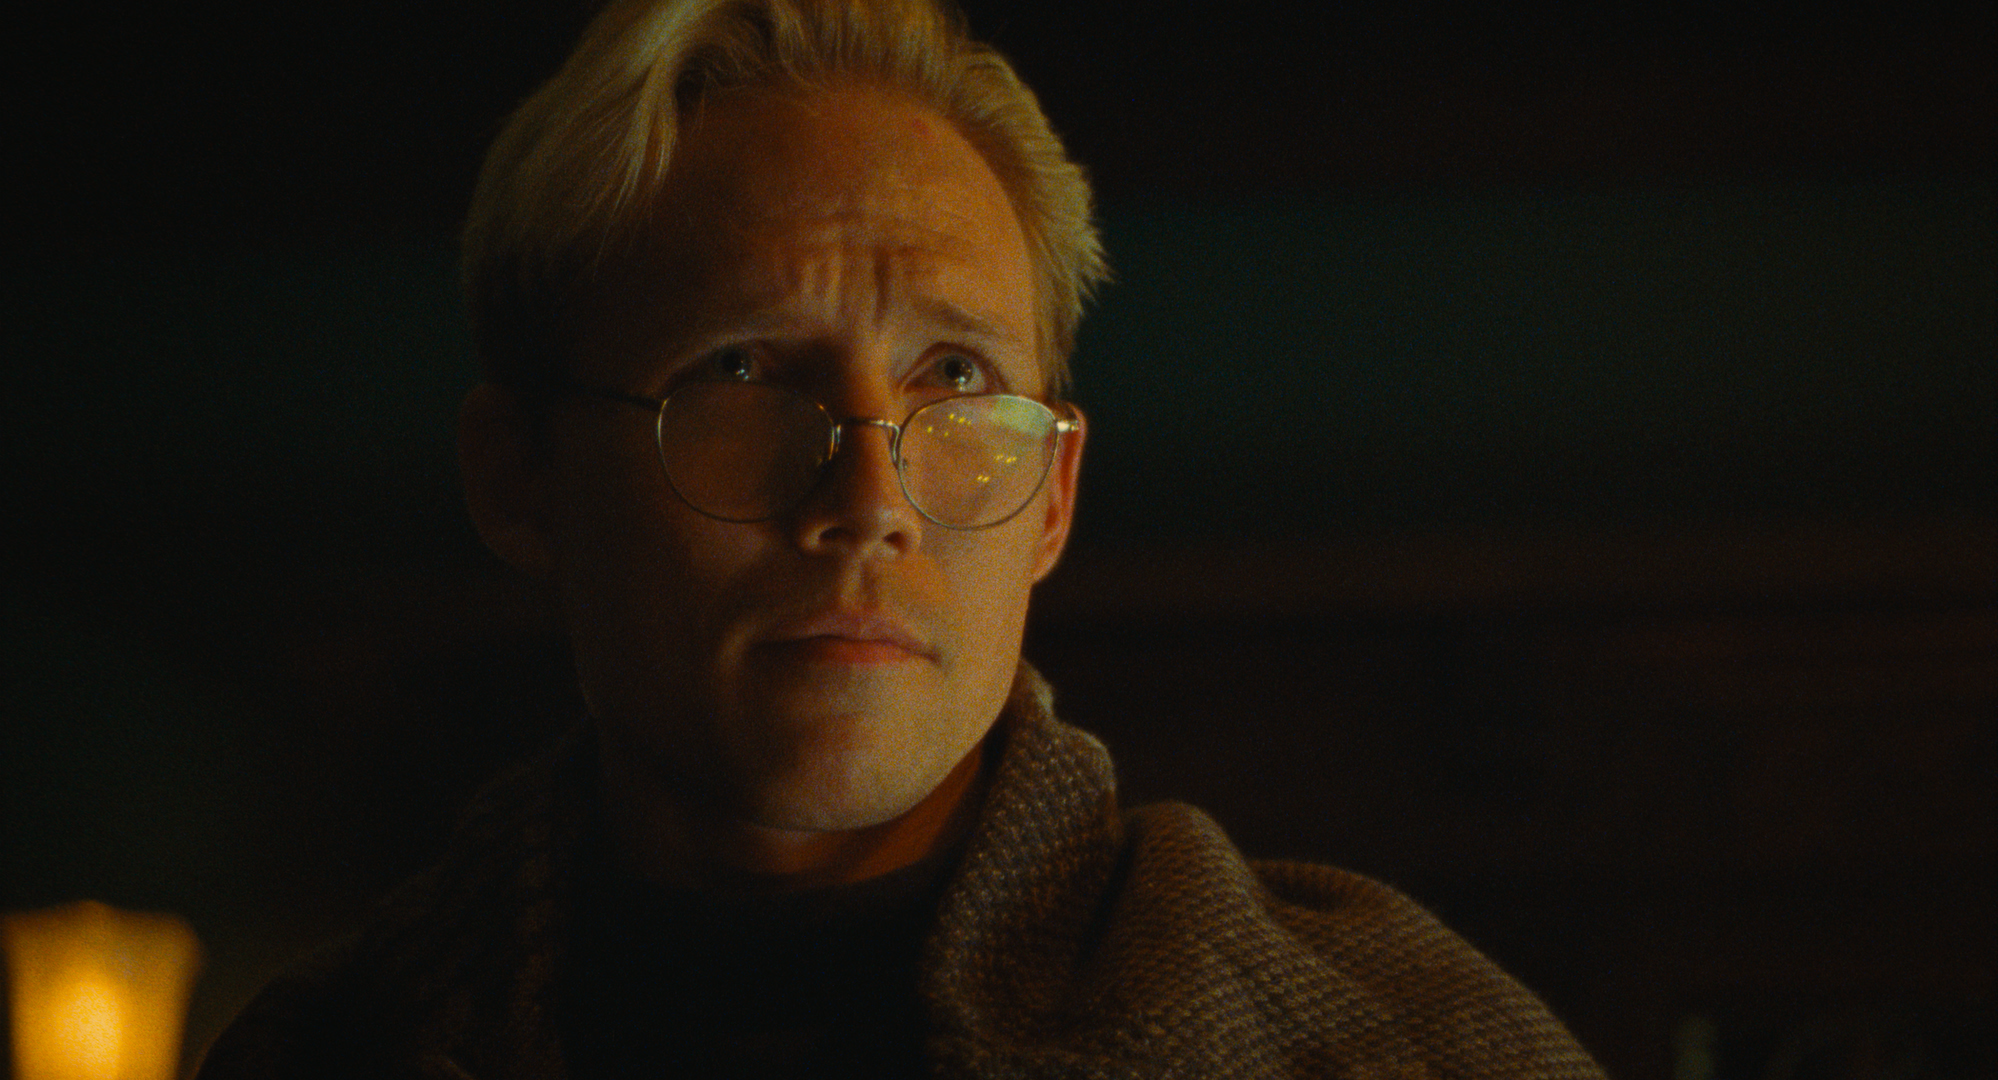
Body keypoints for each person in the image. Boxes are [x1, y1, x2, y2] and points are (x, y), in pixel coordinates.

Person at [198, 0, 1607, 1076]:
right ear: (521, 478)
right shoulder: (329, 1048)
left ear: (1051, 496)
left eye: (955, 376)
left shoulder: (1390, 1044)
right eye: (743, 371)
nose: (867, 498)